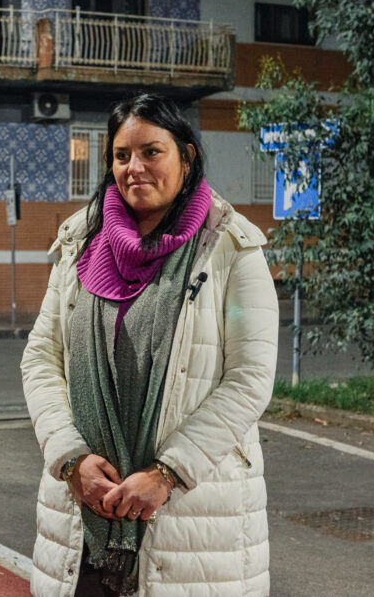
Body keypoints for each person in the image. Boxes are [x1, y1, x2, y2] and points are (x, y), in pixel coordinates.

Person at [21, 93, 278, 596]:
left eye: (151, 152)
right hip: (85, 511)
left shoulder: (230, 250)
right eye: (121, 155)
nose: (134, 167)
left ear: (187, 157)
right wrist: (71, 460)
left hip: (191, 520)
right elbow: (41, 358)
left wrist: (167, 473)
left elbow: (249, 379)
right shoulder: (80, 241)